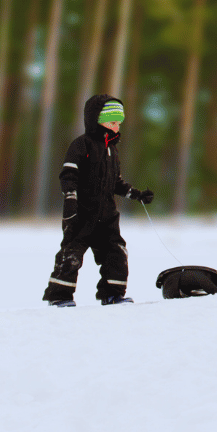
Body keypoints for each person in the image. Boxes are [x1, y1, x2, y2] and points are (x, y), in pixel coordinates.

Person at [43, 95, 154, 306]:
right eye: (112, 121)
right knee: (71, 254)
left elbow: (116, 183)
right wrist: (70, 200)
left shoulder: (112, 150)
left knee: (116, 252)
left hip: (107, 216)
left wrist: (137, 195)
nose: (116, 126)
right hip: (82, 214)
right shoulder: (81, 145)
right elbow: (68, 176)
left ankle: (112, 294)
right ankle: (59, 297)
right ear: (96, 119)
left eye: (119, 122)